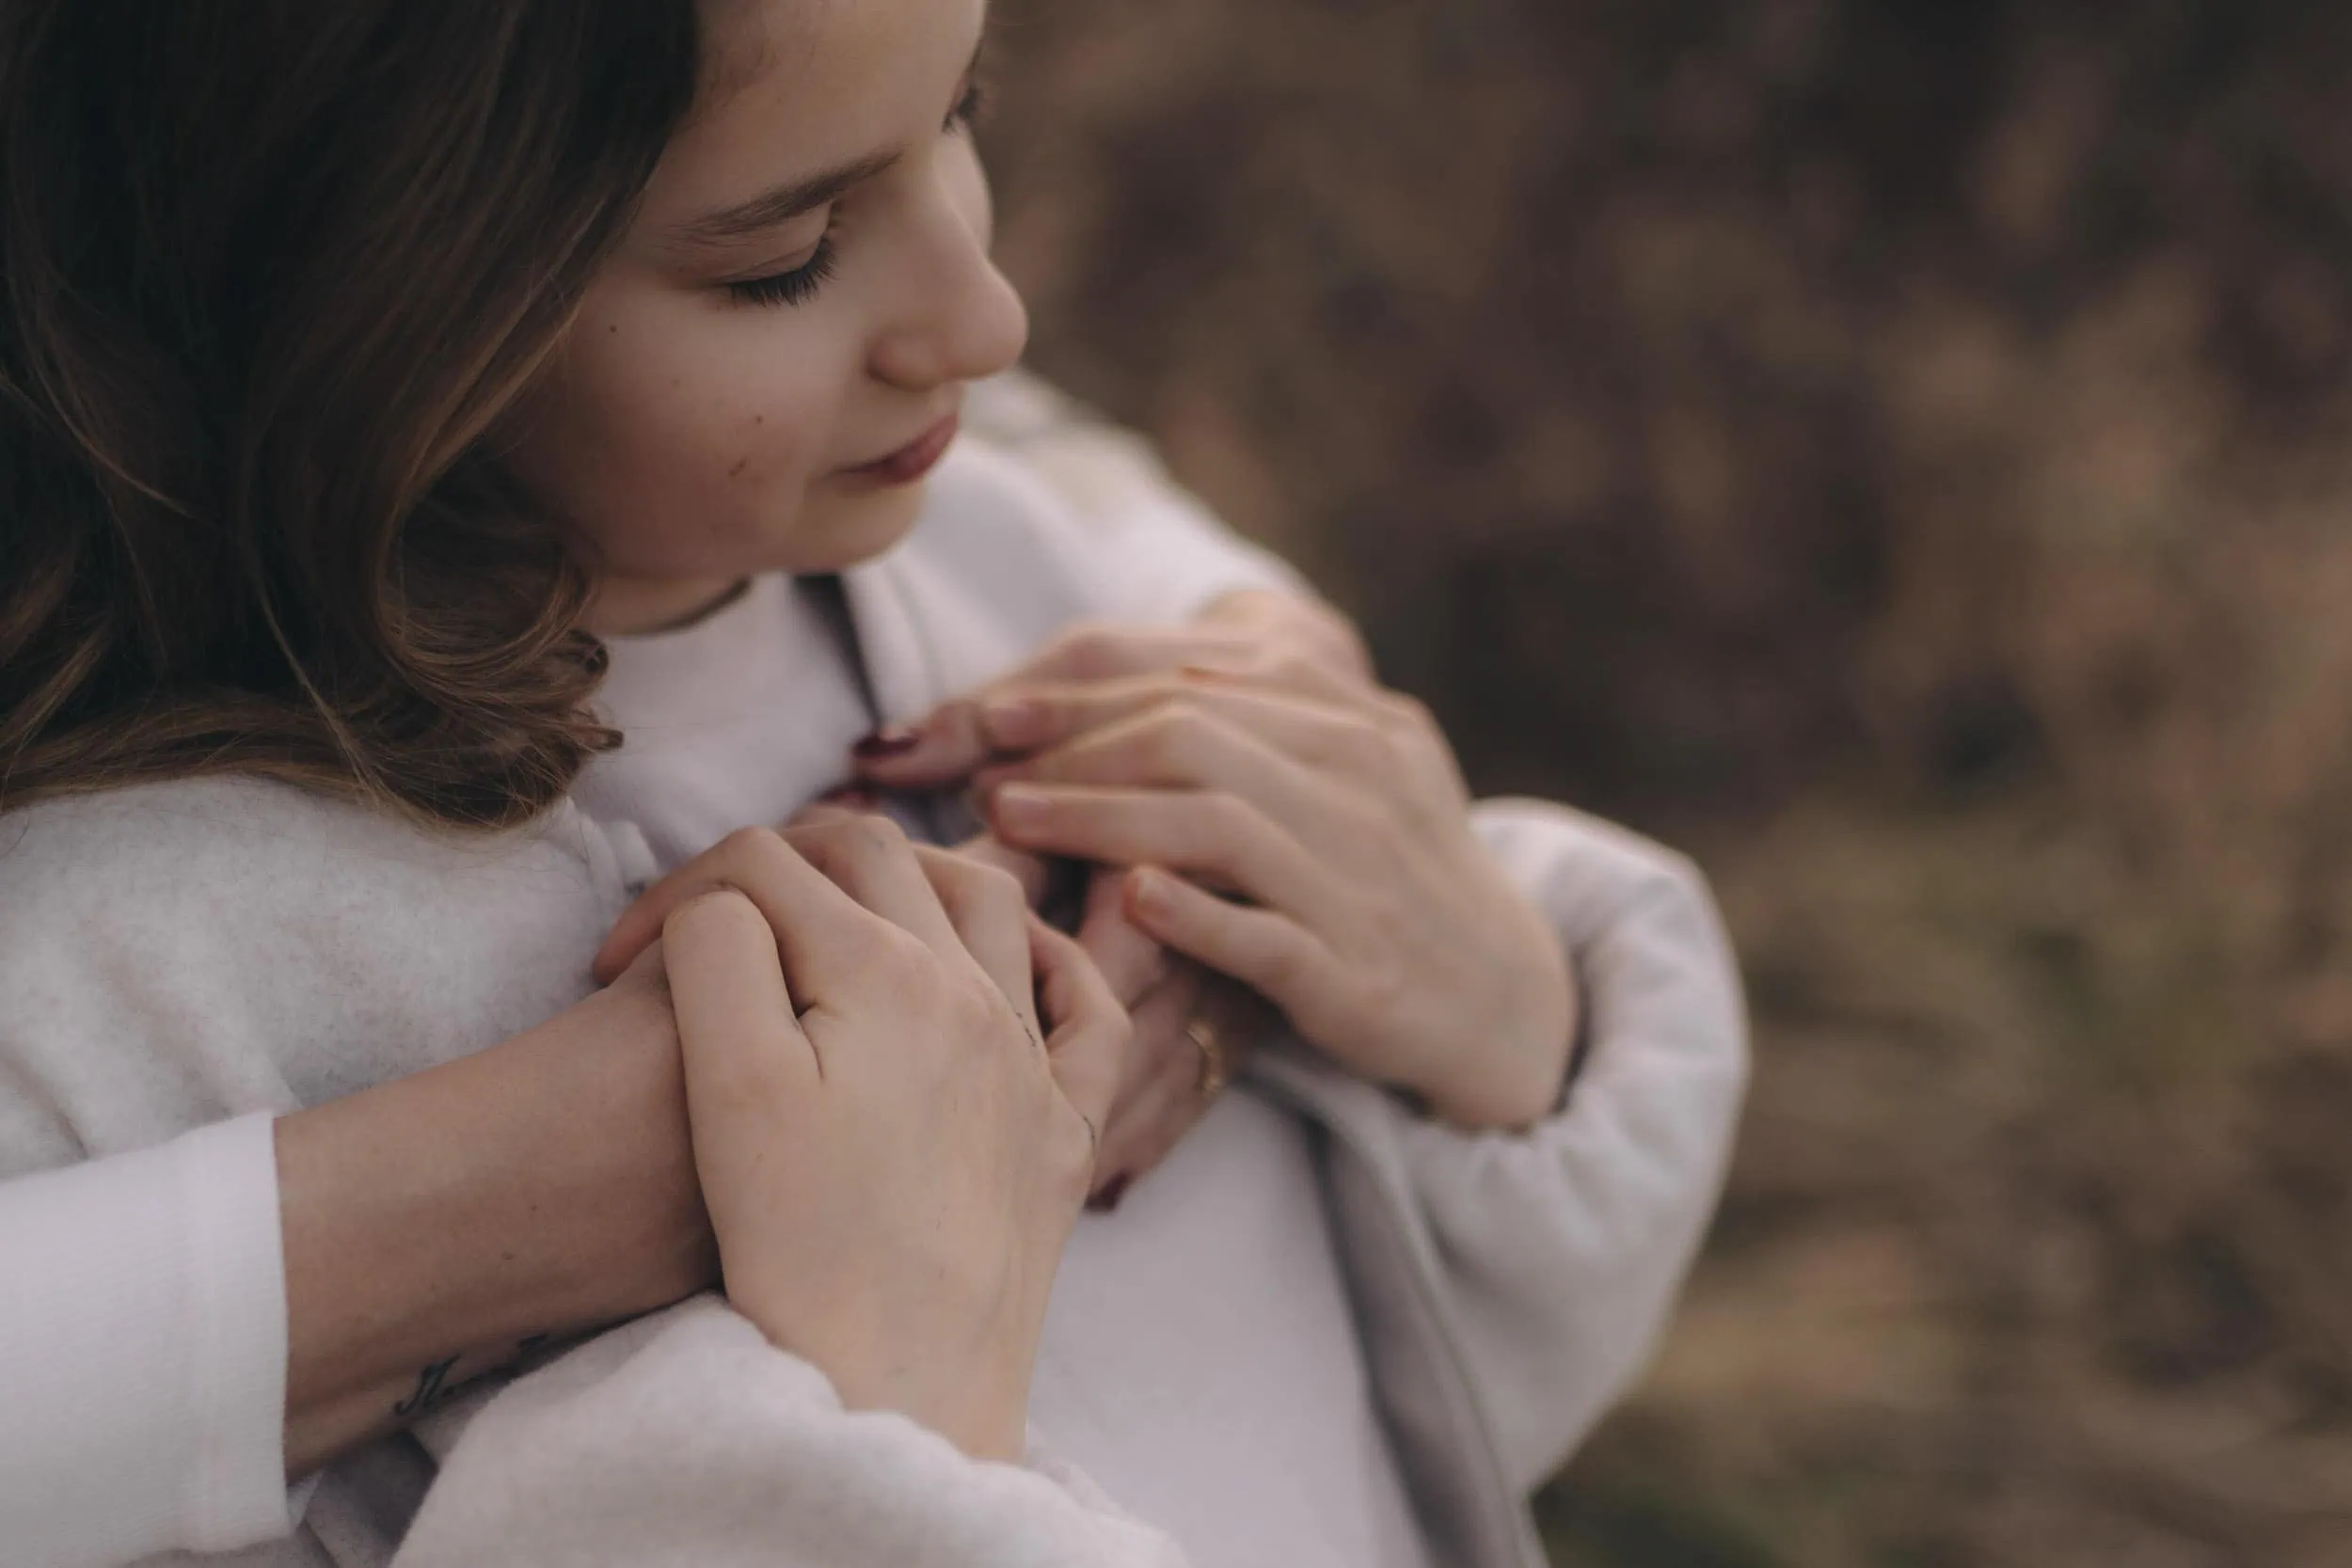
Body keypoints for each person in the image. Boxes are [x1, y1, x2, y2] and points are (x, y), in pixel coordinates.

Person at [0, 4, 1748, 1568]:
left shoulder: (1025, 575)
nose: (986, 315)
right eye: (789, 253)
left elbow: (1357, 1419)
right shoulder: (148, 978)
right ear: (358, 295)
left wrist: (1509, 1021)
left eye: (964, 110)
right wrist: (845, 1419)